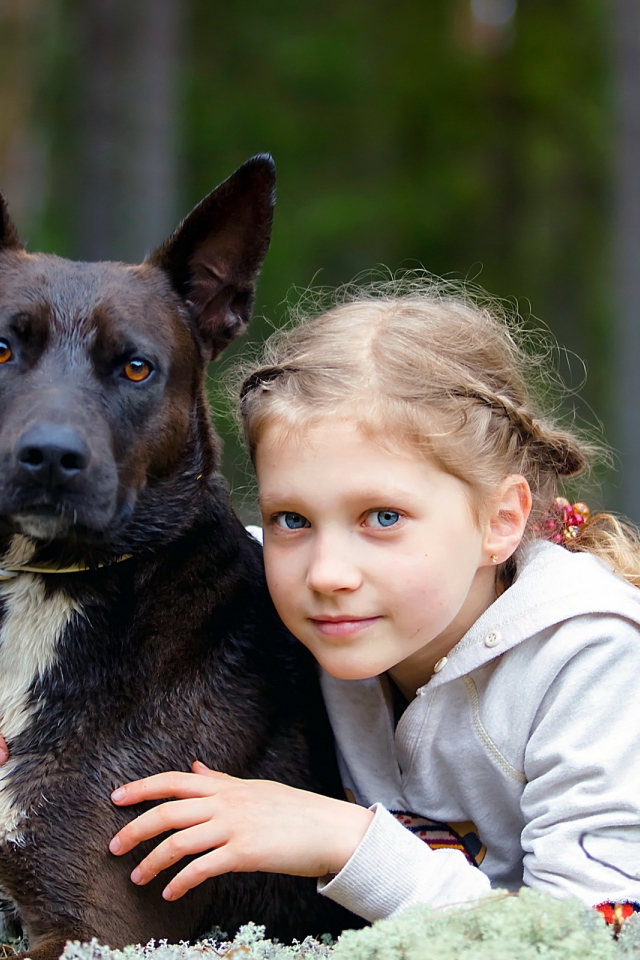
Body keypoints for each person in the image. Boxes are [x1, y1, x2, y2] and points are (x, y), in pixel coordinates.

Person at [76, 280, 640, 925]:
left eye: (382, 516)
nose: (327, 573)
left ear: (499, 520)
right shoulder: (276, 591)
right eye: (292, 519)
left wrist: (346, 843)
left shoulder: (591, 657)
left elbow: (601, 935)